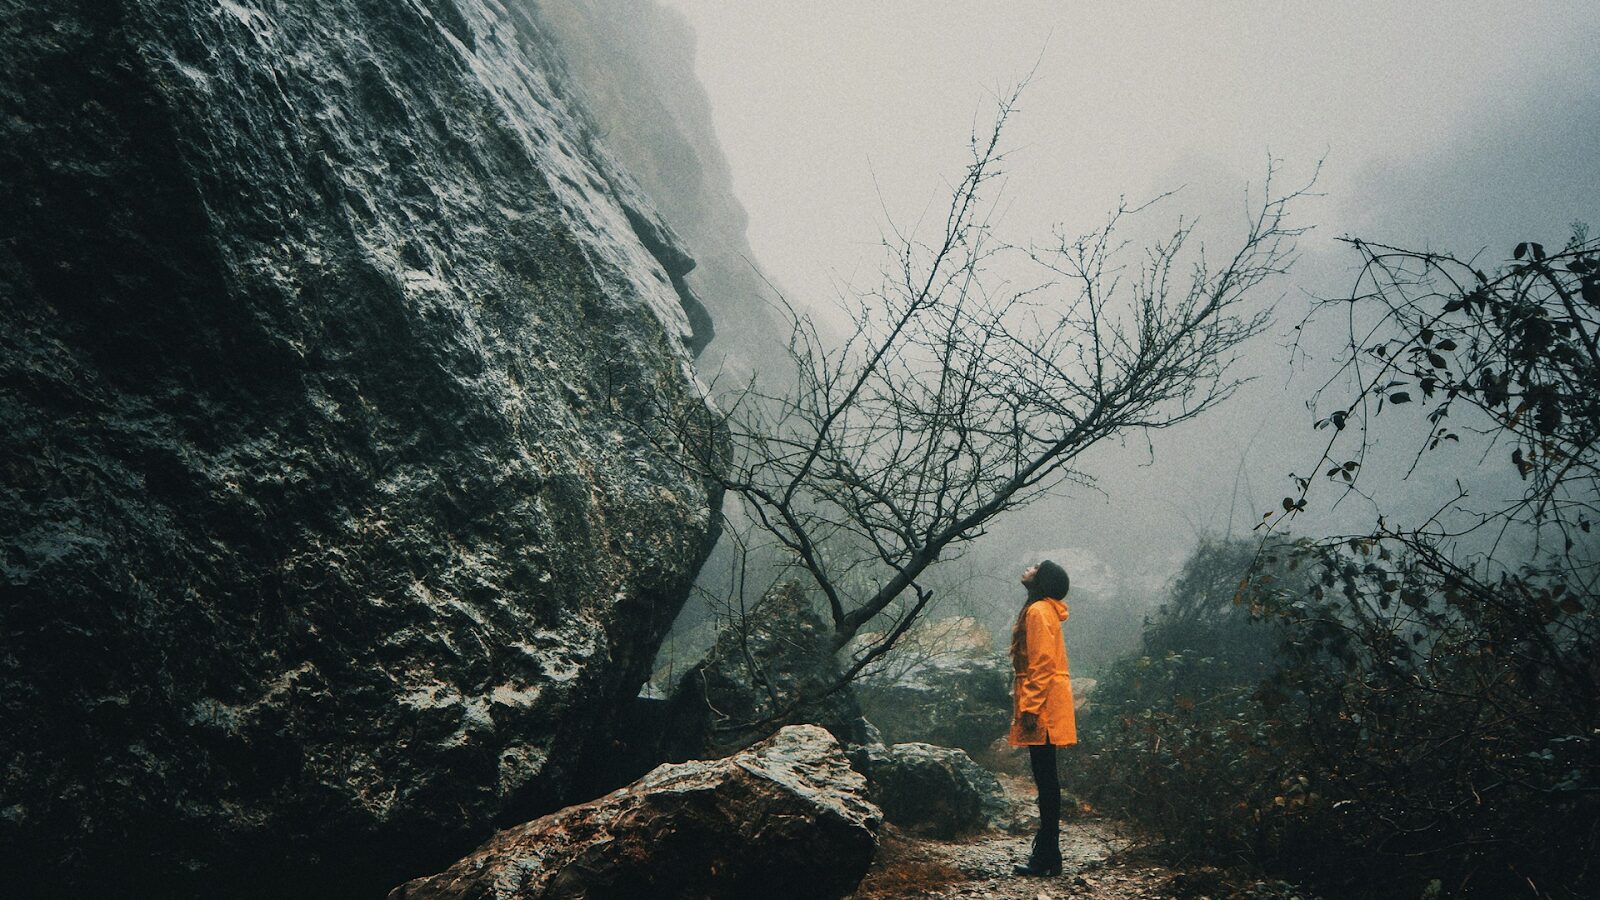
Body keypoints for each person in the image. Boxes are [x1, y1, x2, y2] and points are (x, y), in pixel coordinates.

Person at [1008, 559, 1076, 877]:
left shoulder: (1037, 612)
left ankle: (1046, 856)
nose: (1029, 568)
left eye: (1036, 567)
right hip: (1049, 702)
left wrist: (1031, 709)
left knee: (1046, 781)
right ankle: (1050, 854)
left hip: (1043, 706)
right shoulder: (1043, 610)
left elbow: (1041, 664)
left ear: (1041, 580)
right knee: (1048, 780)